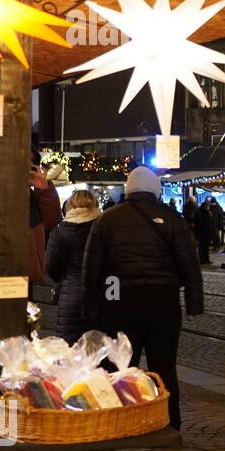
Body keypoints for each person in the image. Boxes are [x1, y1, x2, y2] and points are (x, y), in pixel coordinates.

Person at [82, 166, 203, 430]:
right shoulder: (172, 218)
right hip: (163, 300)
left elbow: (92, 268)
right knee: (164, 365)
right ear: (156, 190)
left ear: (128, 189)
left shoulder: (107, 220)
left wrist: (91, 306)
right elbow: (189, 263)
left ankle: (118, 422)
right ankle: (170, 421)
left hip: (119, 302)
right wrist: (194, 301)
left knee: (121, 365)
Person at [45, 190, 102, 343]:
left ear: (69, 206)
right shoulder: (104, 229)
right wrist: (114, 296)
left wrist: (64, 279)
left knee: (70, 350)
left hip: (69, 297)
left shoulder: (59, 232)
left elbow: (51, 268)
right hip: (100, 296)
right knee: (99, 350)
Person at [29, 160, 61, 283]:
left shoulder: (31, 194)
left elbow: (51, 221)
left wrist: (44, 190)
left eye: (32, 161)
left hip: (31, 275)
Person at [194, 193, 214, 265]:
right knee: (203, 247)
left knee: (205, 247)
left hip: (206, 232)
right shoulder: (202, 213)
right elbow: (199, 223)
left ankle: (206, 259)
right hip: (203, 232)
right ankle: (203, 259)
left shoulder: (206, 213)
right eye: (208, 206)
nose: (209, 207)